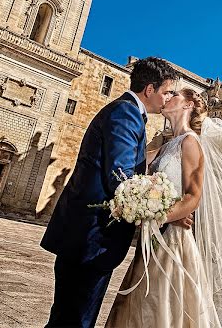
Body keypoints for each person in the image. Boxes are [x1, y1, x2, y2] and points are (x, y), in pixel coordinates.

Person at [41, 57, 189, 328]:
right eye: (166, 91)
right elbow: (122, 182)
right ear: (149, 90)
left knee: (67, 317)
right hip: (92, 238)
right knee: (75, 319)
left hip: (87, 236)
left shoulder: (127, 112)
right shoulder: (126, 114)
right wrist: (167, 214)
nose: (168, 98)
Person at [105, 88, 221, 328]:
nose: (168, 98)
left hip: (172, 243)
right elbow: (134, 177)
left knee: (161, 304)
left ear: (188, 105)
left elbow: (193, 196)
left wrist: (159, 216)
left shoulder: (190, 142)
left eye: (174, 95)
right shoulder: (166, 145)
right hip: (153, 238)